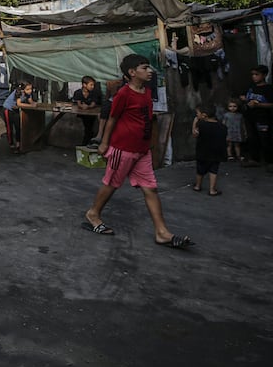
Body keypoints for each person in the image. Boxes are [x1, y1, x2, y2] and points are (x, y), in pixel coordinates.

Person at [83, 54, 194, 249]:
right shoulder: (123, 94)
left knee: (150, 188)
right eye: (145, 67)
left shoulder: (146, 92)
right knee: (111, 184)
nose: (150, 70)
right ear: (132, 73)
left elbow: (145, 120)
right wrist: (104, 143)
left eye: (149, 67)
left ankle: (162, 232)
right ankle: (93, 214)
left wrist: (149, 144)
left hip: (142, 151)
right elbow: (112, 119)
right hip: (122, 149)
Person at [240, 65, 273, 170]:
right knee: (252, 139)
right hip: (250, 117)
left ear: (264, 75)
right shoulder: (251, 87)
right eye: (253, 74)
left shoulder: (268, 89)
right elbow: (244, 97)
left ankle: (270, 162)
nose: (254, 77)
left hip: (263, 118)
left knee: (265, 140)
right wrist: (244, 99)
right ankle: (254, 159)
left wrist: (258, 105)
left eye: (257, 74)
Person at [192, 106, 227, 195]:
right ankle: (212, 190)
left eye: (198, 114)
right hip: (217, 152)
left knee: (200, 170)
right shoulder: (222, 126)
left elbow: (195, 134)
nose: (197, 115)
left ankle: (197, 186)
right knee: (213, 171)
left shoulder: (201, 125)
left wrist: (195, 123)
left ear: (204, 115)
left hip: (202, 152)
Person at [3, 82, 36, 154]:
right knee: (9, 128)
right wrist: (31, 106)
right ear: (23, 89)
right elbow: (19, 103)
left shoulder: (28, 93)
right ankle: (11, 144)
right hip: (8, 110)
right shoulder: (18, 92)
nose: (30, 91)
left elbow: (30, 101)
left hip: (16, 110)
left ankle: (18, 144)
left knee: (18, 126)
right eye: (28, 89)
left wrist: (34, 104)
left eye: (31, 89)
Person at [72, 76, 103, 145]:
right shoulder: (78, 92)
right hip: (83, 114)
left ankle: (86, 143)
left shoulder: (94, 93)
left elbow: (93, 104)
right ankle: (87, 142)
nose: (92, 87)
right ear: (84, 85)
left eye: (93, 85)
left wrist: (88, 107)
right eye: (91, 85)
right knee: (87, 128)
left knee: (89, 128)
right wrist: (82, 106)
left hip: (91, 114)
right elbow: (79, 103)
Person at [92, 79, 123, 145]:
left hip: (119, 103)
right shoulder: (119, 82)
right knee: (103, 111)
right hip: (111, 103)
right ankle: (99, 135)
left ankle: (101, 136)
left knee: (107, 112)